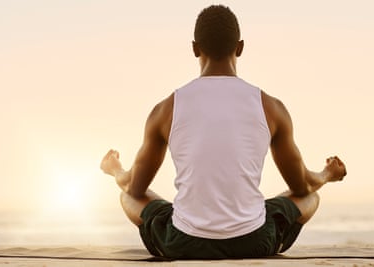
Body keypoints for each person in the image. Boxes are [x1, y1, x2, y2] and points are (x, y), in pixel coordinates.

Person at [100, 5, 346, 259]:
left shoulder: (165, 110)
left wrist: (115, 169)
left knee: (126, 197)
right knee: (311, 197)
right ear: (240, 47)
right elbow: (302, 186)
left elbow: (134, 189)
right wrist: (327, 174)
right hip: (254, 242)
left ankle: (192, 222)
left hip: (183, 244)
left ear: (195, 49)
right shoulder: (272, 108)